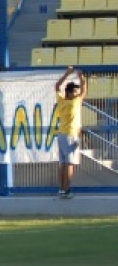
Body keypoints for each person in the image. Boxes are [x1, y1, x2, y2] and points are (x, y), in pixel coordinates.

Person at [53, 66, 88, 199]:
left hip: (62, 134)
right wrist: (81, 77)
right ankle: (66, 190)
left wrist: (67, 73)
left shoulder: (61, 100)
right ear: (70, 92)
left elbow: (57, 86)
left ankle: (62, 189)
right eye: (75, 91)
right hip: (71, 135)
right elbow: (84, 89)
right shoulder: (74, 102)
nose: (77, 93)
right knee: (69, 164)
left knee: (63, 164)